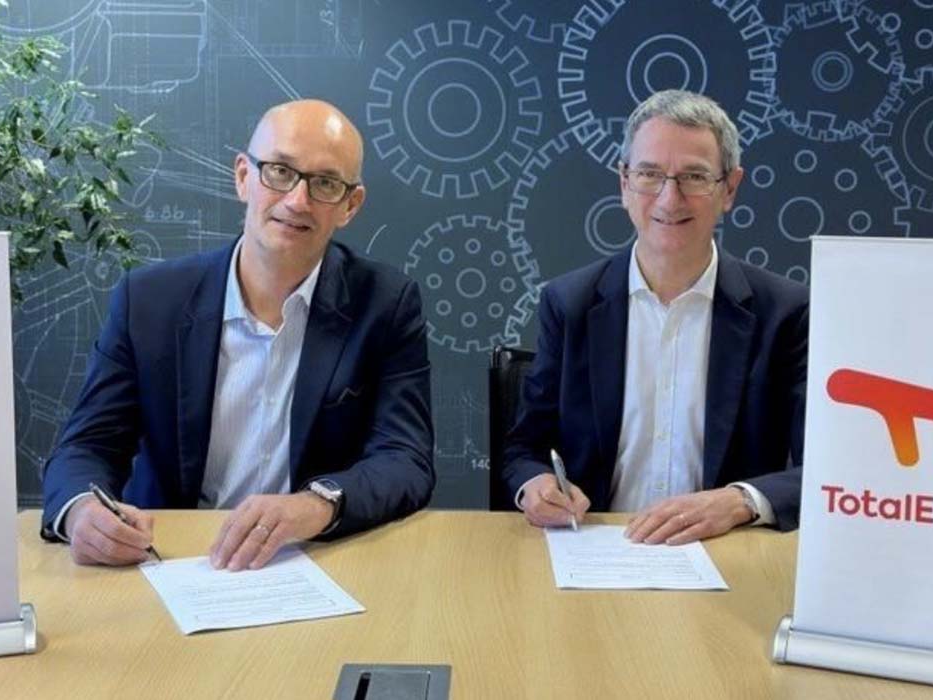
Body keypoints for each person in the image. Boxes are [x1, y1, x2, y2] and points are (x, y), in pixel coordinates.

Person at [41, 99, 435, 570]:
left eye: (326, 184)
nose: (298, 201)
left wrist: (315, 505)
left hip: (314, 559)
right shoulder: (149, 301)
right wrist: (81, 513)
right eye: (280, 172)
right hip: (173, 558)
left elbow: (404, 459)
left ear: (350, 205)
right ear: (244, 176)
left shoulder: (385, 304)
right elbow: (87, 446)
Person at [502, 90, 807, 544]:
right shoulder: (569, 303)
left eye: (694, 176)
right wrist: (537, 484)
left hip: (725, 551)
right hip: (597, 546)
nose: (669, 199)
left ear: (729, 188)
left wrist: (740, 500)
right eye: (649, 174)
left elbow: (826, 472)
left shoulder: (784, 312)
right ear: (624, 183)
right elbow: (524, 448)